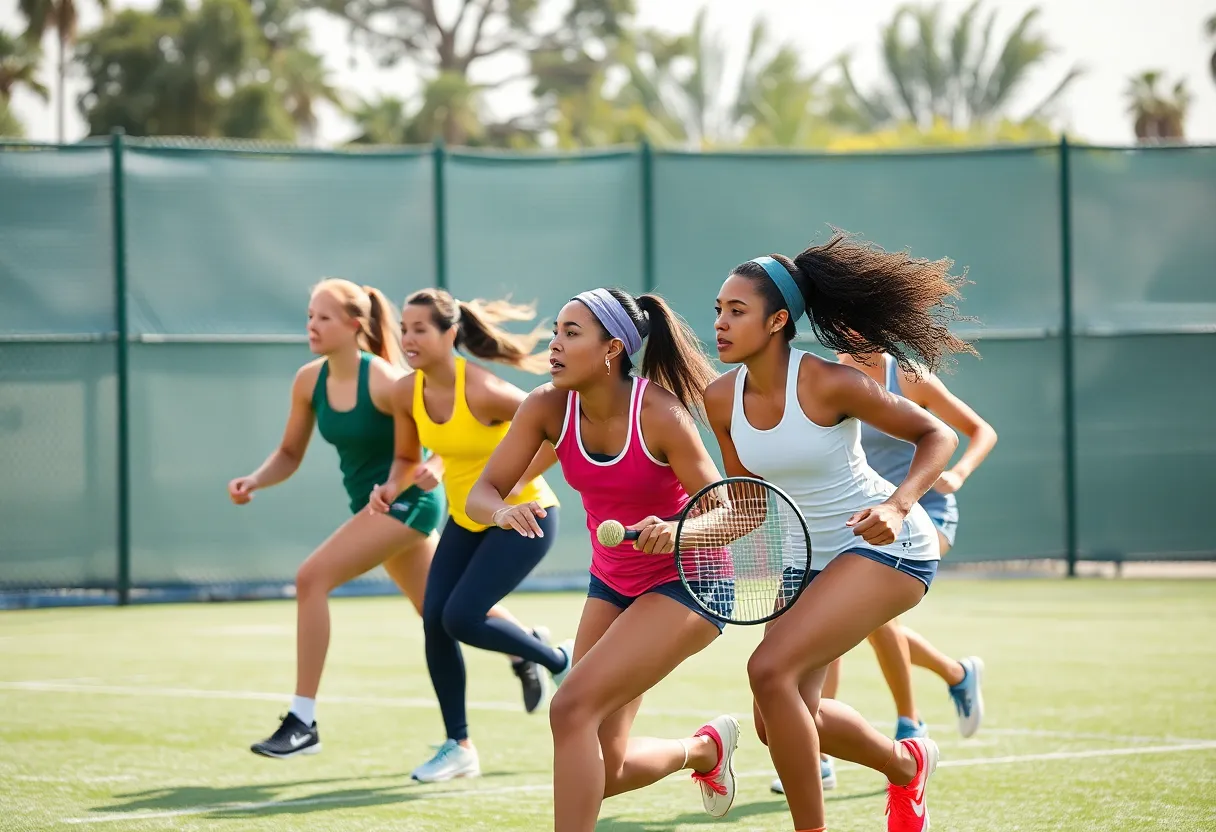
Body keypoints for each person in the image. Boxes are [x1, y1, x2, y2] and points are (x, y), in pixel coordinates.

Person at [704, 233, 974, 832]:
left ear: (777, 321)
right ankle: (905, 768)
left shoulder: (830, 382)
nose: (720, 323)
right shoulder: (719, 399)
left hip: (886, 546)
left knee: (768, 671)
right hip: (806, 559)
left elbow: (939, 435)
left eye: (736, 311)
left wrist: (901, 506)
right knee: (780, 717)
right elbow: (750, 506)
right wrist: (680, 531)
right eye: (718, 310)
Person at [466, 288, 740, 831]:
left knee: (569, 709)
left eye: (572, 333)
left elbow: (727, 512)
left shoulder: (659, 412)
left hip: (691, 583)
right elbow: (484, 491)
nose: (555, 345)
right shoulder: (545, 406)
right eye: (556, 333)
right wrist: (501, 513)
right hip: (613, 584)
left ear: (612, 347)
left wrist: (679, 530)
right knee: (606, 770)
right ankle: (705, 752)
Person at [228, 279, 525, 758]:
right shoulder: (309, 380)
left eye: (323, 317)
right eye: (309, 315)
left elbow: (442, 436)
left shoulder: (386, 380)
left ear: (354, 325)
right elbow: (288, 452)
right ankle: (530, 648)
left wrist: (434, 467)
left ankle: (303, 721)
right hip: (375, 506)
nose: (312, 325)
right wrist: (255, 480)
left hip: (408, 503)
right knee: (435, 611)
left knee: (311, 579)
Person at [773, 350, 995, 796]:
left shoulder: (910, 377)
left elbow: (978, 431)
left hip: (920, 511)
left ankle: (910, 727)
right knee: (827, 624)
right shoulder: (826, 378)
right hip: (855, 518)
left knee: (870, 618)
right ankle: (953, 675)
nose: (851, 330)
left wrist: (960, 474)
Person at [369, 288, 567, 783]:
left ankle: (555, 659)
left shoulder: (483, 389)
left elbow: (558, 429)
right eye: (404, 329)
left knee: (460, 616)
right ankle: (459, 746)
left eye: (419, 329)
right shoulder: (403, 391)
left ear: (449, 334)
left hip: (525, 516)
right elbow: (405, 457)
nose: (408, 339)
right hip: (466, 518)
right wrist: (391, 487)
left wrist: (516, 482)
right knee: (434, 620)